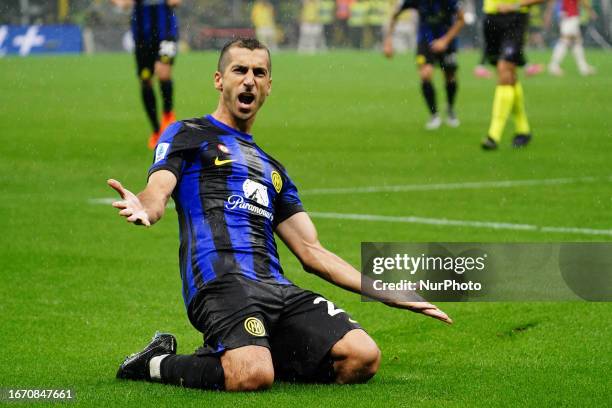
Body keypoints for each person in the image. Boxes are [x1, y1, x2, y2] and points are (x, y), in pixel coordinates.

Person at [109, 38, 452, 391]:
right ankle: (154, 361)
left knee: (362, 357)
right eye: (239, 70)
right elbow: (159, 190)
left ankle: (249, 353)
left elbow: (312, 252)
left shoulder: (273, 170)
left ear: (268, 86)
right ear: (218, 79)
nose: (249, 80)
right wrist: (146, 207)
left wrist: (388, 292)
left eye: (259, 73)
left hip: (276, 290)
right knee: (254, 375)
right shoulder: (189, 134)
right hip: (220, 285)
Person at [384, 0, 465, 130]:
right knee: (425, 74)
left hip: (447, 40)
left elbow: (461, 20)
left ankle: (450, 109)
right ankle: (434, 115)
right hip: (425, 40)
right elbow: (395, 14)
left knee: (450, 76)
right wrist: (388, 40)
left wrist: (444, 41)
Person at [111, 0, 180, 150]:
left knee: (163, 73)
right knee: (145, 80)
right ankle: (156, 130)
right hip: (142, 37)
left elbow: (175, 2)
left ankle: (168, 115)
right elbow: (123, 4)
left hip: (166, 33)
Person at [480, 0, 546, 150]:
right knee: (508, 76)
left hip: (514, 19)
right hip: (491, 20)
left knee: (504, 71)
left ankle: (493, 136)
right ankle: (523, 130)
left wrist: (515, 6)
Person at [546, 0, 597, 76]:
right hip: (571, 16)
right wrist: (590, 11)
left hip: (566, 15)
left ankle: (583, 67)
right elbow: (582, 1)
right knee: (565, 41)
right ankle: (553, 66)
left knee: (576, 42)